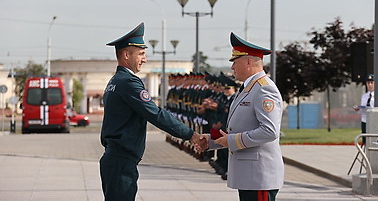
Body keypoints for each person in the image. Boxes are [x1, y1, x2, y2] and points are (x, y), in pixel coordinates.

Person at [99, 22, 206, 200]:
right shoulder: (129, 83)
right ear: (126, 54)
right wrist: (191, 135)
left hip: (116, 158)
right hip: (121, 161)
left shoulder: (116, 81)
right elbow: (156, 115)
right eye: (141, 54)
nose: (145, 59)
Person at [204, 32, 284, 201]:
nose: (232, 67)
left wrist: (231, 141)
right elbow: (237, 129)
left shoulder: (264, 89)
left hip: (259, 176)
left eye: (235, 61)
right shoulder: (248, 88)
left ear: (248, 61)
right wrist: (210, 140)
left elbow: (269, 131)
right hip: (249, 176)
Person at [353, 74, 376, 144]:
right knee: (365, 141)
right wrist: (358, 109)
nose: (370, 85)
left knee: (373, 141)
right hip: (365, 121)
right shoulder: (364, 96)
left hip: (373, 121)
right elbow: (363, 109)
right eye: (368, 83)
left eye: (372, 83)